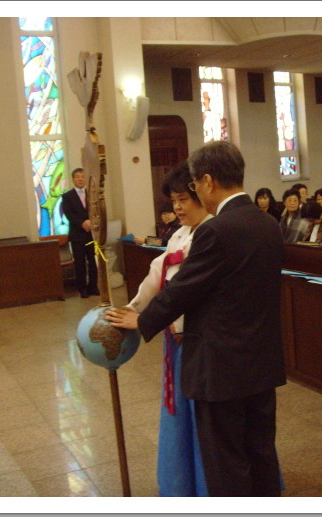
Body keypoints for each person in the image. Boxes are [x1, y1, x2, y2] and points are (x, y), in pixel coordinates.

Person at [107, 141, 286, 497]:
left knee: (226, 460)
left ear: (207, 181)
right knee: (260, 450)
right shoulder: (268, 223)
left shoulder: (216, 230)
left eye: (194, 184)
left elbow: (184, 288)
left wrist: (142, 320)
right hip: (261, 359)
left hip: (221, 366)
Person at [122, 162, 211, 496]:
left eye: (183, 199)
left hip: (200, 340)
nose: (177, 207)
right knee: (179, 412)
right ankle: (182, 484)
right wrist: (132, 308)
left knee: (204, 418)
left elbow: (190, 290)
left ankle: (207, 487)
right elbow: (156, 273)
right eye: (174, 201)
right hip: (175, 340)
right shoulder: (179, 235)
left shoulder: (213, 233)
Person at [61, 168, 99, 298]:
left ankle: (93, 286)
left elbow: (97, 210)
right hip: (77, 234)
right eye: (77, 177)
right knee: (80, 262)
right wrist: (82, 223)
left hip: (91, 233)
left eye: (82, 176)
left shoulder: (92, 195)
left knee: (92, 261)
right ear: (73, 179)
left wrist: (91, 222)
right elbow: (69, 214)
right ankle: (82, 288)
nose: (80, 179)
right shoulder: (67, 196)